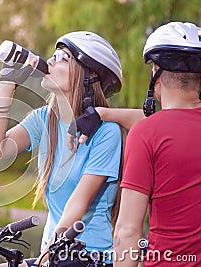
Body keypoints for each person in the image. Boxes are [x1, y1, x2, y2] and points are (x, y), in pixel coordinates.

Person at [0, 31, 124, 266]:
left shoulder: (107, 132)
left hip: (88, 256)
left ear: (87, 76)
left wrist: (43, 259)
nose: (50, 61)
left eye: (63, 57)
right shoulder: (44, 119)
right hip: (52, 254)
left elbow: (77, 205)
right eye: (54, 54)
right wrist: (6, 82)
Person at [72, 22, 201, 266]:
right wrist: (103, 113)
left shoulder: (146, 134)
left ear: (156, 74)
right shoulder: (149, 131)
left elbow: (129, 230)